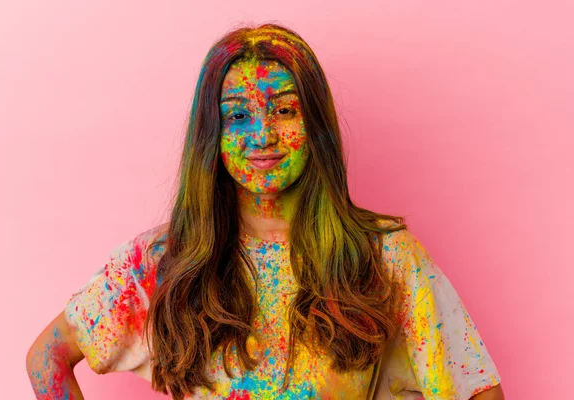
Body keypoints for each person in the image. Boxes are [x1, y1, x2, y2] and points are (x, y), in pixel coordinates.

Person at [26, 23, 504, 400]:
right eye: (237, 115)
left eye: (283, 110)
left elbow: (477, 389)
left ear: (314, 123)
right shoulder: (163, 260)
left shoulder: (382, 256)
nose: (262, 135)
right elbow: (46, 358)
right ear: (212, 135)